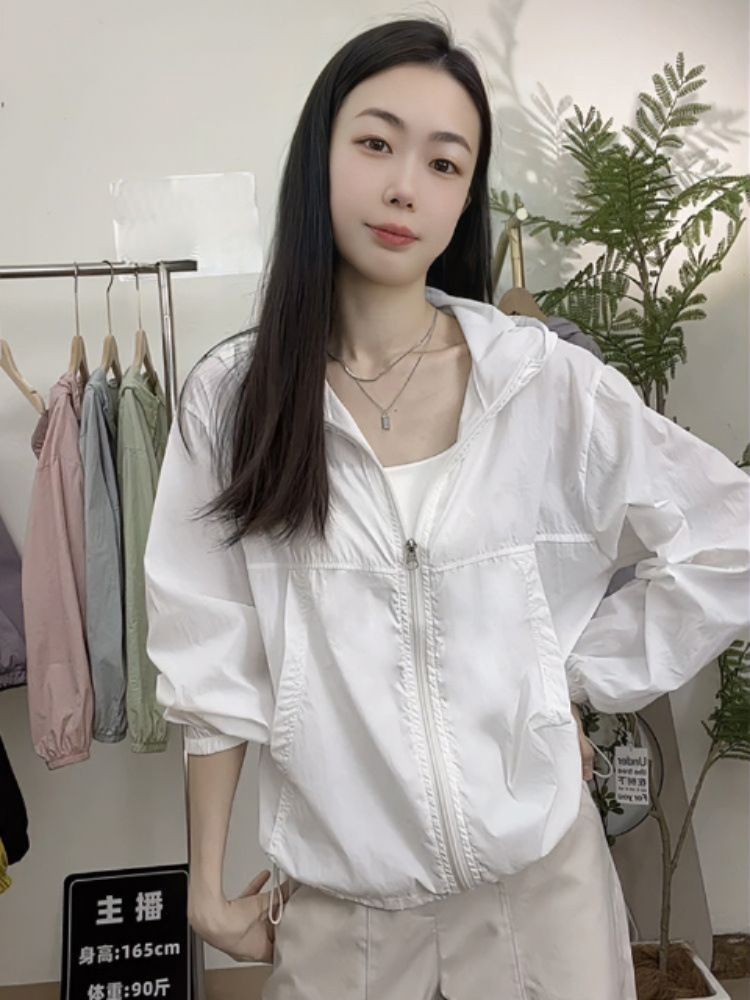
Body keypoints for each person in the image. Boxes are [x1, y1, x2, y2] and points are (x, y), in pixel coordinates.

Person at [143, 16, 750, 1000]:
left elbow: (728, 536)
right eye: (375, 143)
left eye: (444, 162)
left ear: (466, 196)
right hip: (340, 914)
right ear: (319, 156)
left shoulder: (542, 383)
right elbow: (209, 651)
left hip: (543, 903)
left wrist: (568, 677)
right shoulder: (233, 401)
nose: (404, 188)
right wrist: (206, 886)